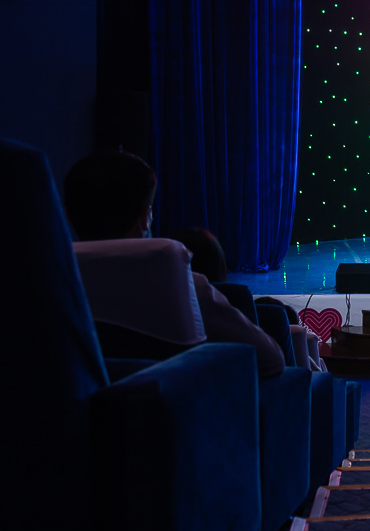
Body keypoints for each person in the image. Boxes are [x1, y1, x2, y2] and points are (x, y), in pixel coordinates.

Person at [63, 151, 285, 378]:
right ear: (145, 217)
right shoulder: (181, 286)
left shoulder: (52, 285)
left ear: (67, 217)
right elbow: (271, 360)